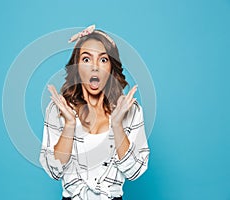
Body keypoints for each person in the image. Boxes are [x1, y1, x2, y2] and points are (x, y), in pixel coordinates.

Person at [40, 25, 150, 200]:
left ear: (111, 68)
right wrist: (69, 125)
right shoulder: (58, 109)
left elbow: (134, 172)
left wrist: (117, 125)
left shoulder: (129, 110)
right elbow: (54, 171)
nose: (95, 67)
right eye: (86, 59)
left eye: (103, 60)